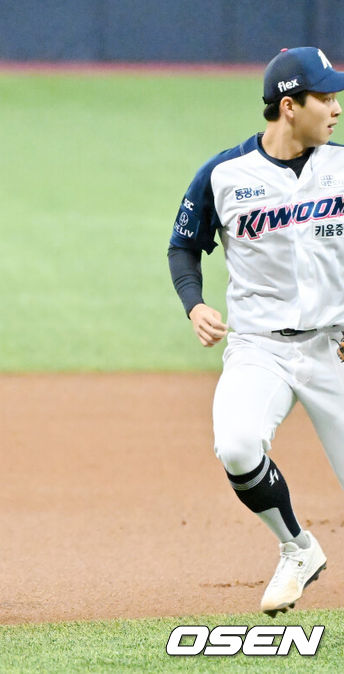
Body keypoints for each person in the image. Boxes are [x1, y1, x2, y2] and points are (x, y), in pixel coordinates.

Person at [168, 47, 344, 616]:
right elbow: (183, 246)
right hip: (258, 348)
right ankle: (297, 548)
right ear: (289, 107)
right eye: (326, 97)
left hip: (333, 346)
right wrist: (194, 306)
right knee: (238, 445)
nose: (336, 108)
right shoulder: (224, 175)